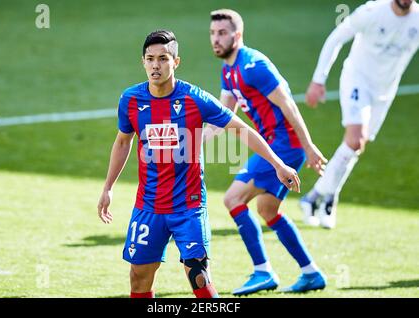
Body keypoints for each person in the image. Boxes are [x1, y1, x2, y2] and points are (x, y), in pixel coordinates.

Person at [97, 29, 302, 298]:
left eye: (163, 58)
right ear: (143, 62)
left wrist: (277, 164)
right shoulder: (131, 100)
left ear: (176, 62)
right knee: (138, 279)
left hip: (188, 206)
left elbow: (241, 129)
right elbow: (123, 142)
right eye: (150, 59)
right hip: (149, 205)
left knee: (199, 276)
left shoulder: (195, 98)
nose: (155, 65)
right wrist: (108, 187)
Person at [206, 9, 328, 295]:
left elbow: (288, 105)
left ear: (237, 35)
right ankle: (311, 273)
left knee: (233, 199)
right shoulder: (229, 70)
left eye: (222, 33)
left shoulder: (254, 65)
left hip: (284, 145)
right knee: (266, 209)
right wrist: (191, 145)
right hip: (277, 144)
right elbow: (224, 117)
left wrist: (308, 147)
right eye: (212, 34)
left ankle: (262, 271)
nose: (216, 39)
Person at [300, 0, 419, 229]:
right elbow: (336, 38)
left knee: (356, 146)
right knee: (355, 139)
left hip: (385, 92)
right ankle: (325, 199)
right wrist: (318, 79)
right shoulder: (372, 11)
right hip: (357, 81)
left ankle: (317, 196)